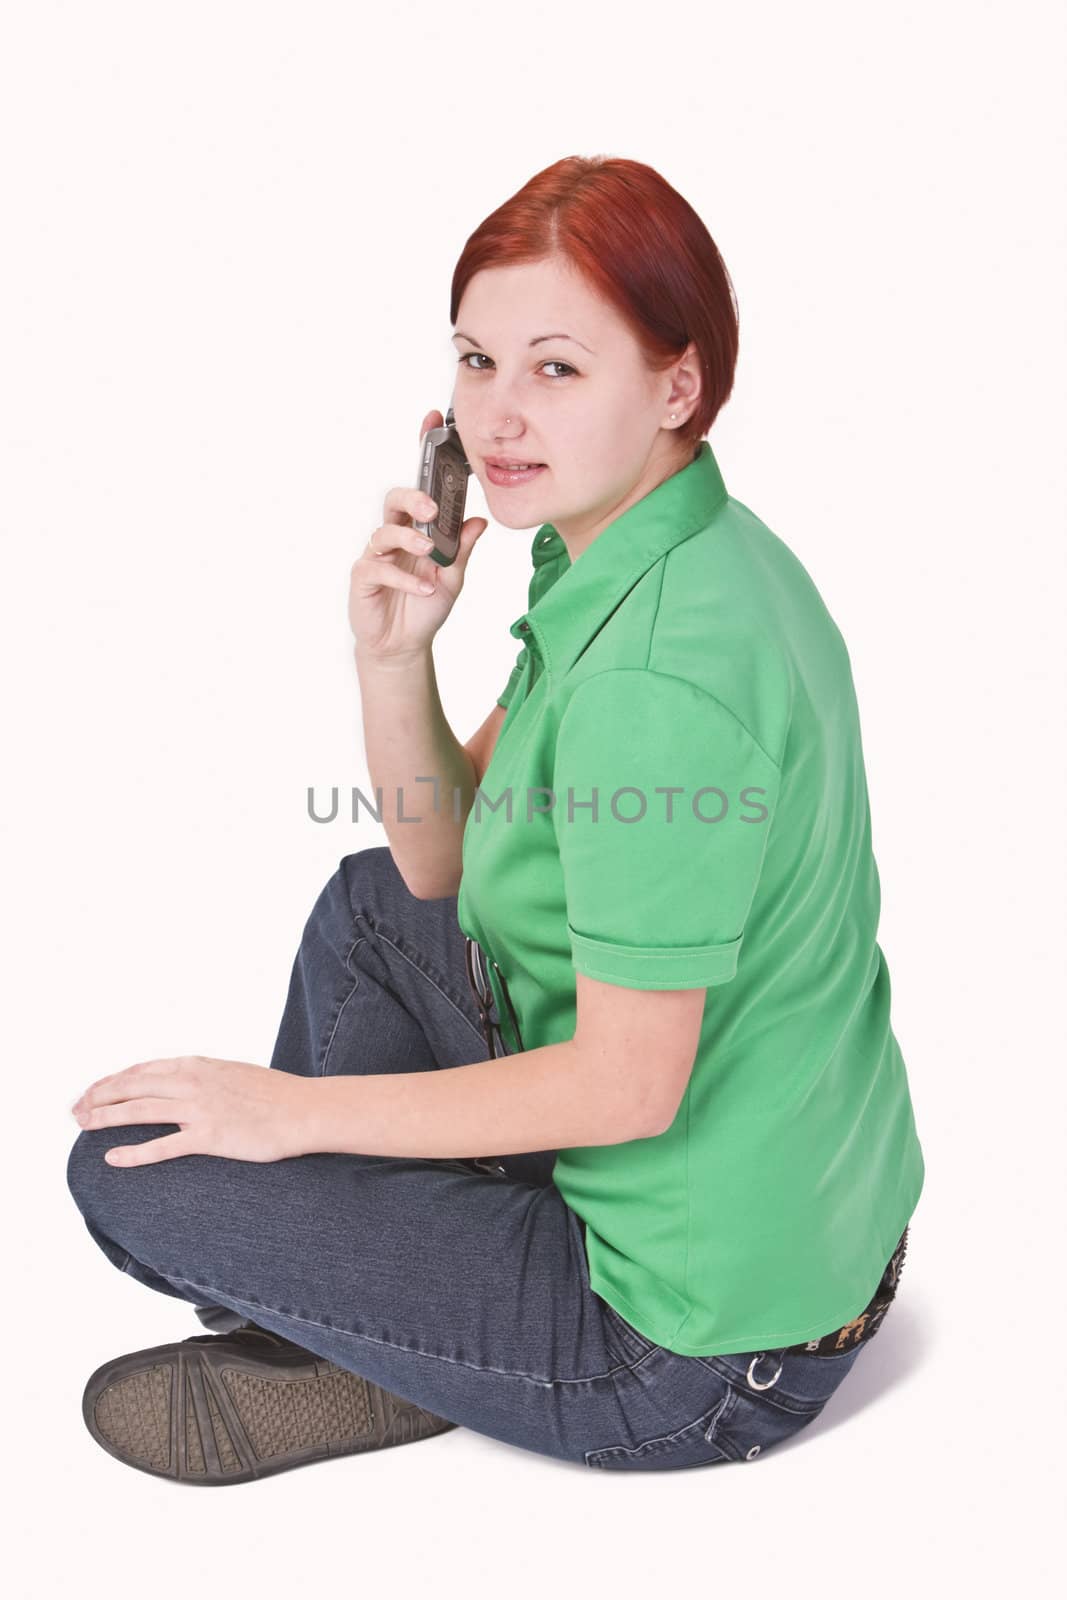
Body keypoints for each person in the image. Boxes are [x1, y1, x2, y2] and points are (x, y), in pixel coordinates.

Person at [66, 154, 924, 1484]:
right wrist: (395, 654)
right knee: (372, 906)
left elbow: (628, 1090)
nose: (500, 417)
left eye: (558, 369)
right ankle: (407, 1313)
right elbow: (437, 859)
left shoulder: (657, 677)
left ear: (677, 383)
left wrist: (291, 1114)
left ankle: (396, 1341)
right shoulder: (657, 549)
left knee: (127, 1176)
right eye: (476, 361)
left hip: (692, 1355)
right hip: (810, 1229)